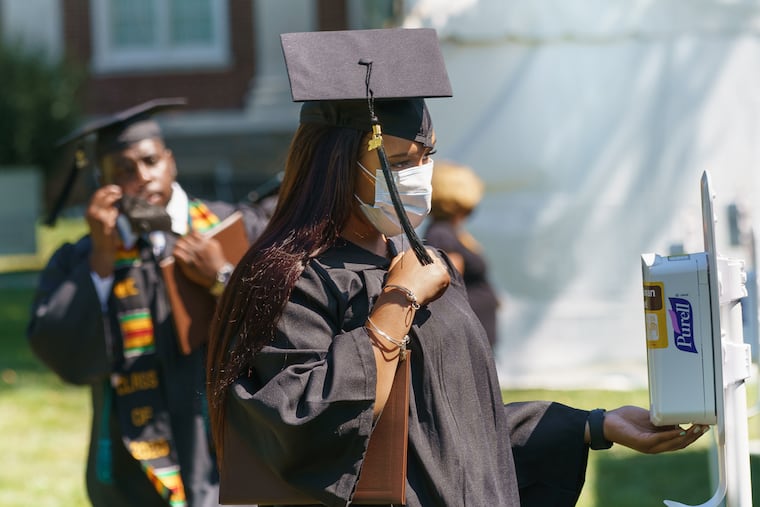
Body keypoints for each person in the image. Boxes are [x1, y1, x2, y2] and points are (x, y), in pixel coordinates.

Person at [206, 28, 707, 507]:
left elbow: (451, 430)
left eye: (427, 156)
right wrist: (395, 307)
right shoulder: (293, 280)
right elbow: (298, 430)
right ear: (336, 164)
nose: (420, 175)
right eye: (400, 160)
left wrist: (594, 425)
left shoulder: (427, 266)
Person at [27, 98, 267, 507]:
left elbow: (286, 325)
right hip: (133, 471)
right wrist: (101, 262)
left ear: (169, 161)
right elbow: (61, 350)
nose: (142, 177)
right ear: (103, 183)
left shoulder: (234, 228)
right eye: (122, 170)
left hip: (230, 446)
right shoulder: (83, 257)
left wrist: (221, 277)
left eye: (150, 161)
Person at [424, 160, 500, 348]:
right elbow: (450, 286)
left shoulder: (450, 231)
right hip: (467, 336)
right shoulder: (442, 234)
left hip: (477, 328)